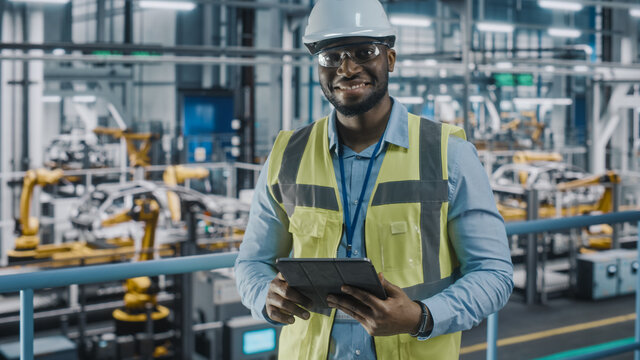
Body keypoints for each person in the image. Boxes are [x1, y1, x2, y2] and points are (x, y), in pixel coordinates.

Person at [235, 0, 513, 358]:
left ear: (390, 59)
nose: (347, 68)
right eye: (330, 56)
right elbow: (251, 262)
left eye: (364, 51)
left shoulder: (449, 155)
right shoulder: (288, 154)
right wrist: (263, 295)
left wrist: (420, 316)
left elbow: (493, 273)